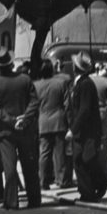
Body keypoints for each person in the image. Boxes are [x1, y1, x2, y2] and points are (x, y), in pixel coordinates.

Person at [0, 46, 41, 210]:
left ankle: (11, 201)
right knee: (30, 166)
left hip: (5, 131)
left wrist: (11, 121)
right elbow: (34, 102)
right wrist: (25, 118)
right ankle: (34, 199)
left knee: (9, 168)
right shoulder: (25, 79)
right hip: (25, 129)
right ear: (11, 64)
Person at [67, 52, 106, 202]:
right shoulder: (79, 83)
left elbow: (84, 109)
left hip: (87, 130)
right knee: (80, 160)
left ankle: (98, 184)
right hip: (83, 130)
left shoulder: (85, 84)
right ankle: (86, 192)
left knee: (86, 159)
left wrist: (73, 129)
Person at [34, 60, 70, 190]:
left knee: (44, 153)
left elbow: (33, 105)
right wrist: (70, 122)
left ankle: (43, 180)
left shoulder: (35, 86)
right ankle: (61, 180)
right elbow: (67, 105)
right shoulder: (61, 83)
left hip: (43, 121)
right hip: (59, 120)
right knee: (60, 153)